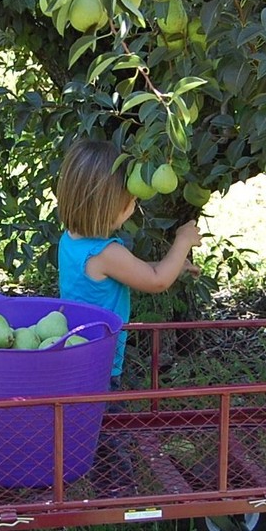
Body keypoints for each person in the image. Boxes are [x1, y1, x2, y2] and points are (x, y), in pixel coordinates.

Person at [56, 138, 202, 388]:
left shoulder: (70, 240)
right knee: (102, 411)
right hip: (100, 362)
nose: (135, 203)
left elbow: (130, 271)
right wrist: (183, 240)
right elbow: (157, 281)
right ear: (107, 206)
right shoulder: (105, 252)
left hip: (79, 351)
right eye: (130, 200)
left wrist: (174, 265)